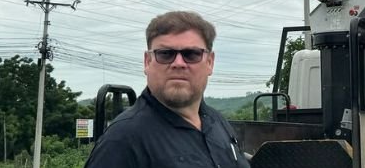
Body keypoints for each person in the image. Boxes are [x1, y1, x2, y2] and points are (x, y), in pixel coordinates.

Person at [84, 11, 248, 168]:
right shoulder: (122, 141)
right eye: (165, 54)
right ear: (147, 62)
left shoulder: (217, 122)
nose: (178, 63)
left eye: (191, 54)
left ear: (210, 62)